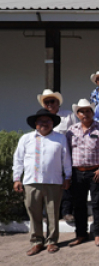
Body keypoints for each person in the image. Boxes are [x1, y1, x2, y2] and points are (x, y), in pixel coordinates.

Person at [13, 109, 71, 256]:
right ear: (35, 124)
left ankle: (52, 241)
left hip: (54, 181)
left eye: (48, 121)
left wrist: (68, 176)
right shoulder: (26, 139)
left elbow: (66, 159)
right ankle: (36, 242)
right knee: (34, 213)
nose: (44, 124)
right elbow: (18, 159)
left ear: (53, 124)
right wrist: (17, 178)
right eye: (41, 121)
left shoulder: (60, 138)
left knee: (53, 213)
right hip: (31, 182)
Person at [66, 99, 99, 247]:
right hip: (77, 172)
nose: (85, 114)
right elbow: (67, 153)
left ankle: (98, 233)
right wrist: (68, 173)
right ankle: (81, 234)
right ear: (77, 114)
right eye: (82, 111)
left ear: (92, 112)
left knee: (97, 203)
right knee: (79, 204)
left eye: (88, 111)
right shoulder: (71, 131)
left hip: (96, 172)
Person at [37, 89, 77, 223]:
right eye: (46, 102)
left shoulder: (68, 115)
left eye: (52, 101)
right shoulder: (40, 118)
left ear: (58, 102)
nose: (49, 104)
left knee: (67, 184)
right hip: (48, 157)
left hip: (65, 154)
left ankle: (66, 212)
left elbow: (75, 133)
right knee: (50, 185)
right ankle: (53, 212)